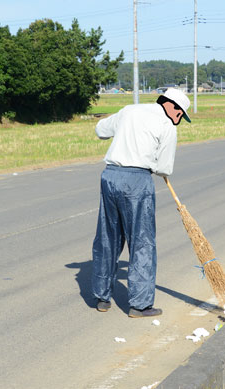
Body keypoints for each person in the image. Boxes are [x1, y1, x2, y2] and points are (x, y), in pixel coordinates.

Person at [91, 87, 191, 318]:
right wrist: (151, 160)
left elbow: (100, 130)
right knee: (141, 240)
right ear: (171, 106)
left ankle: (102, 297)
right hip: (137, 181)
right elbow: (164, 168)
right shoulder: (167, 126)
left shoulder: (130, 110)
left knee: (108, 236)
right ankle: (140, 304)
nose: (179, 120)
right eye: (180, 115)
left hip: (110, 176)